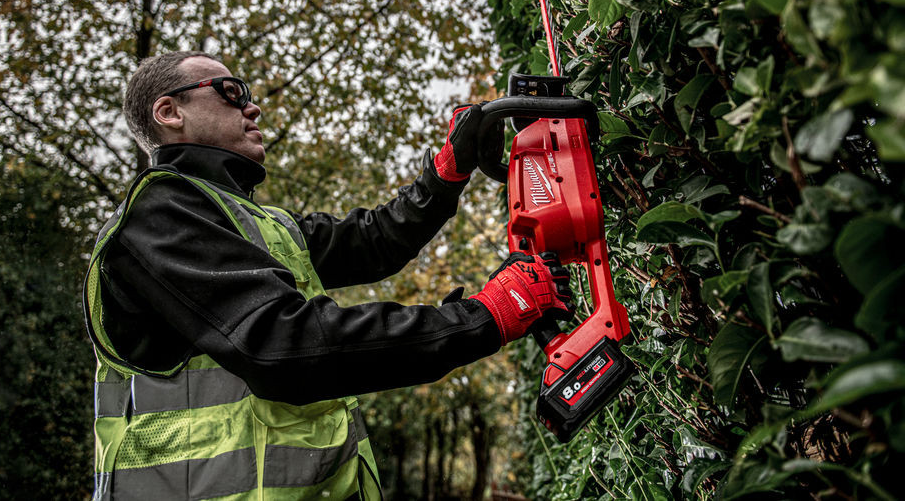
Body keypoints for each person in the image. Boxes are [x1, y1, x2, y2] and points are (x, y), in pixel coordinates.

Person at [83, 51, 572, 500]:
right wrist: (483, 316)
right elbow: (285, 346)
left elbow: (372, 240)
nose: (252, 108)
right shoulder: (157, 218)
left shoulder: (255, 223)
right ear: (169, 112)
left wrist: (445, 172)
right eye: (232, 92)